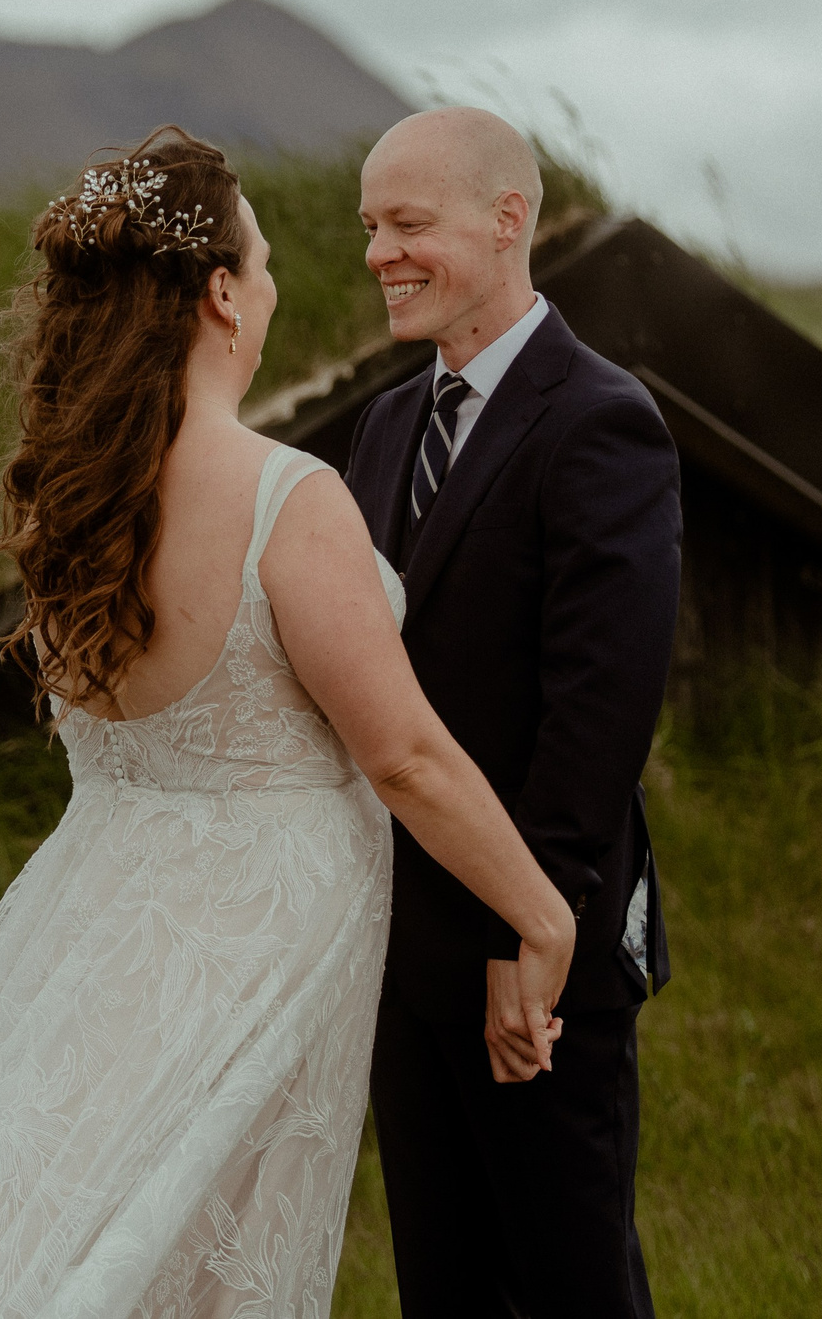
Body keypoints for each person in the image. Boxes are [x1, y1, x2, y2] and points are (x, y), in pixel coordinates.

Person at [0, 126, 576, 1318]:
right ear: (219, 294)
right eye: (263, 263)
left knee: (55, 1216)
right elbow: (405, 757)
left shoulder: (80, 493)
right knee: (186, 1247)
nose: (272, 287)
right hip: (258, 941)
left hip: (90, 920)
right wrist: (544, 914)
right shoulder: (286, 496)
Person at [347, 107, 683, 1319]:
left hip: (536, 956)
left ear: (506, 220)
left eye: (407, 223)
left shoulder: (601, 420)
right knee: (444, 1293)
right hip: (400, 954)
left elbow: (600, 715)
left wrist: (525, 938)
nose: (379, 254)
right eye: (369, 227)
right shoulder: (386, 427)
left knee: (571, 1290)